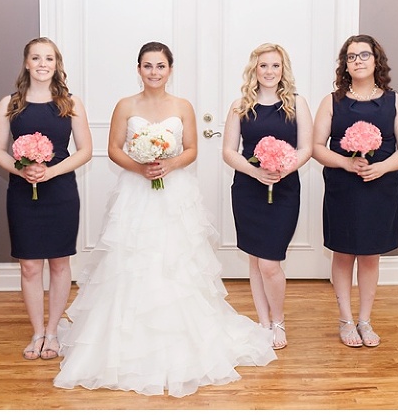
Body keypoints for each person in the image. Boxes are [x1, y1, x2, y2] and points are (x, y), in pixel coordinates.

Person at [54, 41, 276, 397]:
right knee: (133, 261)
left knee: (176, 260)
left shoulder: (182, 106)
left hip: (174, 192)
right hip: (135, 193)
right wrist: (140, 166)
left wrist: (169, 163)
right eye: (147, 66)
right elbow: (113, 149)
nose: (154, 72)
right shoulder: (125, 105)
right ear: (138, 69)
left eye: (160, 66)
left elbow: (191, 148)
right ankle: (124, 342)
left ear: (170, 69)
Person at [0, 37, 92, 360]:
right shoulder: (9, 103)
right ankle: (37, 331)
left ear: (56, 64)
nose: (43, 64)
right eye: (36, 58)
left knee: (60, 263)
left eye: (49, 58)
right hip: (22, 192)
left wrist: (53, 171)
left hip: (60, 191)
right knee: (30, 266)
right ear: (26, 63)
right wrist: (22, 172)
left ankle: (53, 332)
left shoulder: (71, 104)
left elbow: (86, 151)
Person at [311, 34, 398, 348]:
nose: (357, 61)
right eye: (351, 56)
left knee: (371, 255)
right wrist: (345, 162)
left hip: (381, 186)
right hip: (344, 187)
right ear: (345, 64)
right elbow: (316, 147)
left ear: (376, 60)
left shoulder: (395, 101)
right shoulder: (332, 101)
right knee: (343, 253)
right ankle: (345, 319)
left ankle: (365, 320)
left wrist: (382, 167)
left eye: (363, 55)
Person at [222, 43, 313, 351]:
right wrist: (255, 171)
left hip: (284, 188)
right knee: (255, 259)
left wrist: (284, 167)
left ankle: (278, 320)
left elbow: (306, 148)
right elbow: (229, 152)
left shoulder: (297, 104)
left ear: (283, 70)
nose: (269, 71)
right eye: (264, 66)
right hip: (248, 188)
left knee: (270, 263)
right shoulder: (239, 105)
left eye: (275, 66)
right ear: (254, 70)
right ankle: (262, 322)